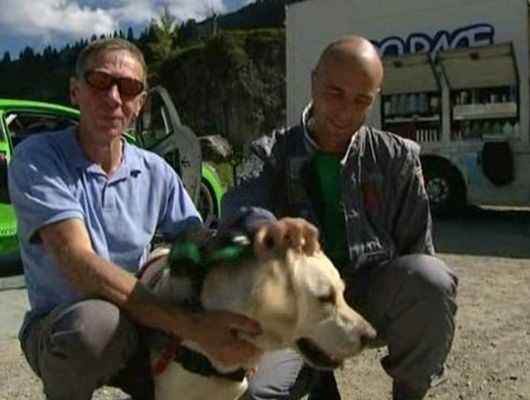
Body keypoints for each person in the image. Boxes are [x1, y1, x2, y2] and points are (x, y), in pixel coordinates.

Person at [8, 38, 319, 400]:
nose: (113, 97)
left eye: (128, 88)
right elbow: (79, 265)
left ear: (139, 105)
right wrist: (192, 326)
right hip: (66, 321)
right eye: (99, 81)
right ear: (75, 91)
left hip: (141, 318)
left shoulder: (154, 170)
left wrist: (260, 229)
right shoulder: (40, 158)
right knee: (93, 327)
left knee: (254, 359)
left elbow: (199, 243)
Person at [223, 35, 458, 400]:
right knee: (254, 391)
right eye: (335, 93)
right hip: (297, 306)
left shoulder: (399, 159)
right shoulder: (270, 152)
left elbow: (418, 254)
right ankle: (311, 370)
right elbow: (238, 208)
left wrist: (418, 323)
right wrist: (268, 229)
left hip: (369, 298)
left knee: (432, 279)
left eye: (361, 100)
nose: (345, 111)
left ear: (374, 98)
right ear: (314, 81)